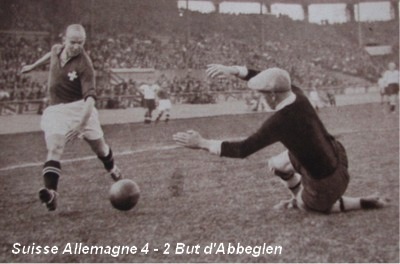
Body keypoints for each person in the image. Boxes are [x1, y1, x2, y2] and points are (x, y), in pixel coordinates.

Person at [173, 64, 389, 214]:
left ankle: (358, 202)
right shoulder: (297, 94)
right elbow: (265, 76)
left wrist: (202, 143)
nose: (261, 97)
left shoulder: (281, 120)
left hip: (328, 182)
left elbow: (242, 149)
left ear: (273, 95)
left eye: (262, 93)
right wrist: (233, 71)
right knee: (276, 164)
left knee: (307, 207)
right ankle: (304, 196)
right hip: (338, 158)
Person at [21, 24, 123, 211]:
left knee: (100, 149)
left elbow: (91, 100)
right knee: (55, 148)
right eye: (73, 42)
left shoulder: (85, 65)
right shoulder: (56, 50)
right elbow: (50, 56)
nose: (77, 46)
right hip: (56, 110)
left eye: (81, 42)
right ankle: (51, 194)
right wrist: (32, 66)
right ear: (64, 40)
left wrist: (79, 126)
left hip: (81, 109)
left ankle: (112, 168)